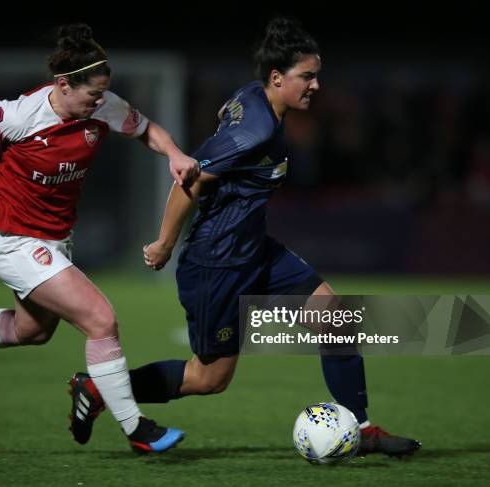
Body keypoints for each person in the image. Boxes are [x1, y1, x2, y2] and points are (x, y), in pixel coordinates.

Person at [69, 17, 421, 457]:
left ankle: (361, 427)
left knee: (336, 321)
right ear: (277, 78)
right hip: (217, 264)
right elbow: (190, 180)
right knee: (208, 379)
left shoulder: (256, 99)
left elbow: (225, 113)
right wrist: (163, 243)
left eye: (317, 75)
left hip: (255, 250)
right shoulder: (255, 132)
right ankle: (101, 388)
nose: (315, 85)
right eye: (307, 77)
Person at [0, 23, 199, 454]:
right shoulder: (19, 114)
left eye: (103, 93)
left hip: (54, 240)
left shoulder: (102, 107)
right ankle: (136, 429)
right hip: (15, 240)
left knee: (30, 331)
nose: (99, 101)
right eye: (91, 94)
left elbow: (147, 129)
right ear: (63, 84)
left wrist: (176, 154)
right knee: (101, 320)